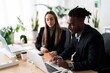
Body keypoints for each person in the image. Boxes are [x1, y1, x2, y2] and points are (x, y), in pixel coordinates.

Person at [50, 7, 106, 71]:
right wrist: (59, 57)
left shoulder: (94, 37)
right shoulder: (76, 33)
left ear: (81, 23)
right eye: (68, 23)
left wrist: (69, 65)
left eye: (72, 24)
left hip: (92, 70)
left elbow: (92, 63)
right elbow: (70, 49)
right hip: (80, 68)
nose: (68, 27)